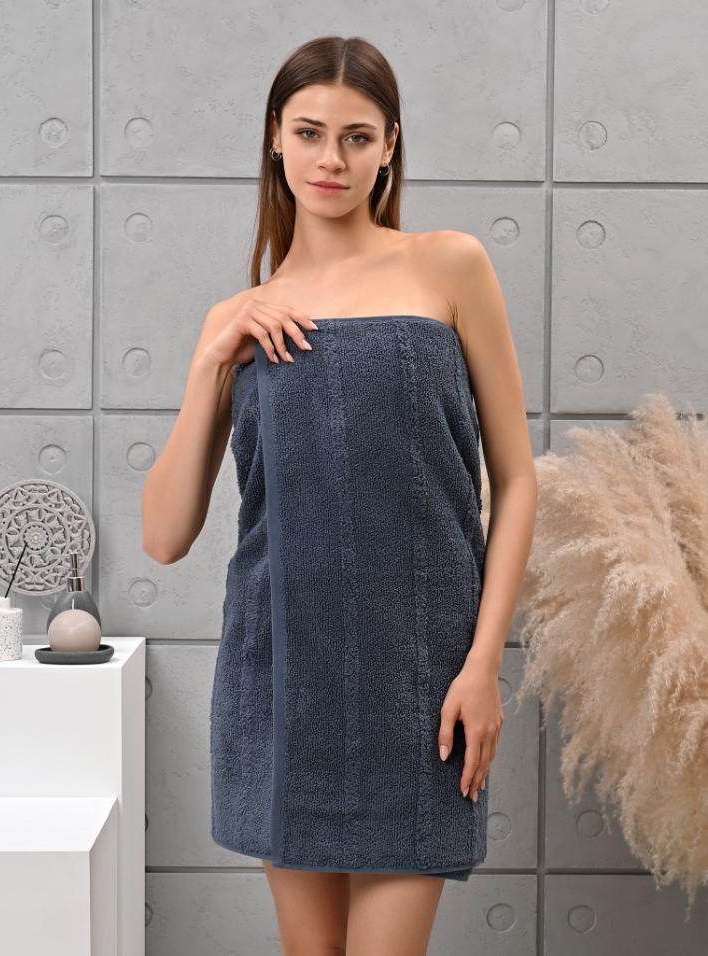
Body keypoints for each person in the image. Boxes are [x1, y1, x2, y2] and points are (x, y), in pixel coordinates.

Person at [142, 35, 537, 956]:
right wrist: (212, 356)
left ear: (389, 145)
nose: (331, 159)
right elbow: (164, 535)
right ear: (274, 138)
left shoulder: (448, 265)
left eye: (357, 137)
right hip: (281, 672)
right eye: (309, 133)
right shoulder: (236, 318)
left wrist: (483, 663)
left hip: (421, 678)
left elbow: (516, 481)